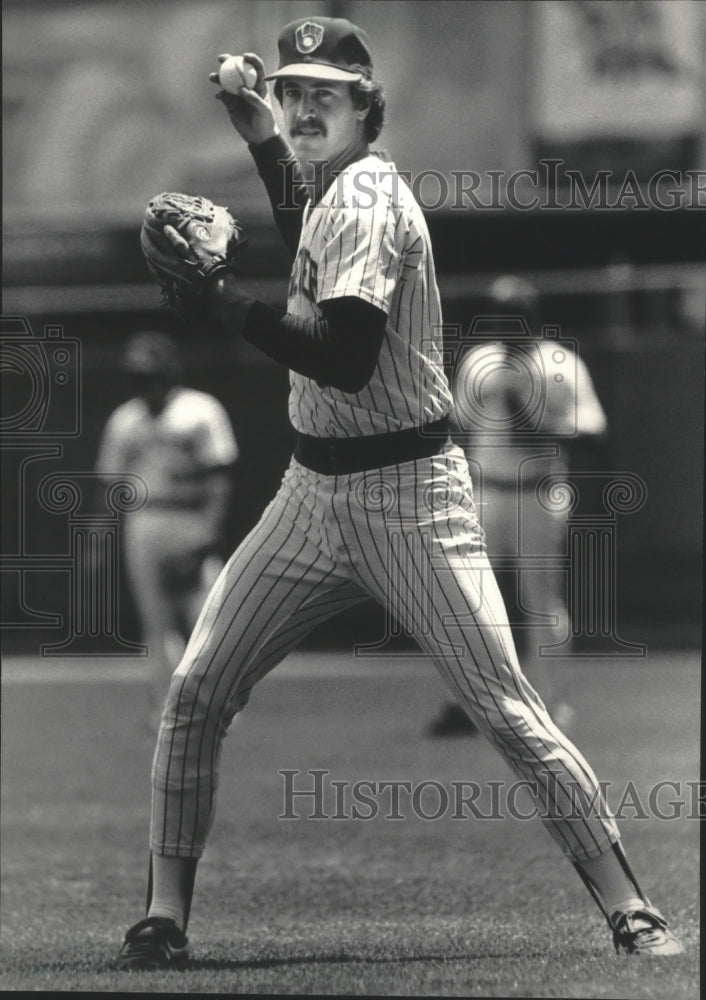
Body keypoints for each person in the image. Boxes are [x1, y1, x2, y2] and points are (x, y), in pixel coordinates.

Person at [117, 16, 683, 967]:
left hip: (411, 497)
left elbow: (343, 357)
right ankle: (162, 919)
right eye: (293, 91)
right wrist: (259, 137)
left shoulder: (370, 199)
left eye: (321, 96)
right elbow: (304, 233)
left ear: (367, 110)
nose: (302, 106)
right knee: (196, 690)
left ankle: (633, 908)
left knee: (505, 709)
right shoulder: (333, 189)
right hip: (310, 493)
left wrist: (221, 305)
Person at [429, 276, 608, 736]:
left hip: (538, 492)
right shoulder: (479, 361)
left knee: (540, 603)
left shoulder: (560, 362)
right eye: (499, 313)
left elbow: (593, 430)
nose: (507, 323)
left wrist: (540, 420)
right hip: (486, 491)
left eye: (516, 314)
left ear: (532, 316)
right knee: (470, 600)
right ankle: (467, 702)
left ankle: (551, 706)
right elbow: (459, 425)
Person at [96, 331, 238, 722]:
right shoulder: (125, 418)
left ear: (169, 371)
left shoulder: (200, 410)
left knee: (207, 616)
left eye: (149, 373)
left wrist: (210, 531)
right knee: (155, 620)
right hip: (144, 519)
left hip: (190, 516)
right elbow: (111, 484)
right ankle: (168, 709)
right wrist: (98, 534)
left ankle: (218, 705)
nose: (142, 383)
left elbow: (220, 475)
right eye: (136, 375)